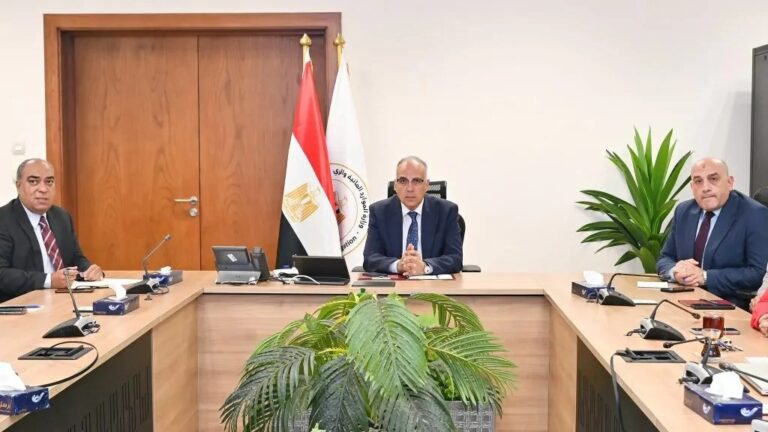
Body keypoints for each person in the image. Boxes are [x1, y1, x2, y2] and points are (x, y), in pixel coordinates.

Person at [656, 158, 768, 311]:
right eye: (698, 181)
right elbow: (665, 258)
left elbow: (756, 273)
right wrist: (675, 271)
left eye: (713, 179)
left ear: (730, 183)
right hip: (681, 300)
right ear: (692, 187)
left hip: (728, 306)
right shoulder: (683, 211)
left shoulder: (754, 214)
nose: (705, 188)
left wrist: (705, 277)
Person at [0, 158, 102, 302]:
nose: (43, 189)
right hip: (21, 304)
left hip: (63, 299)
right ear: (19, 186)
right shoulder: (4, 220)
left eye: (49, 182)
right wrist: (48, 280)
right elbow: (2, 273)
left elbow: (76, 257)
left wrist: (90, 270)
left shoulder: (61, 216)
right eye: (33, 181)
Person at [363, 156, 462, 275]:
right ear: (395, 185)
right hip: (395, 284)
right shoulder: (379, 212)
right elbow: (370, 258)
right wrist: (398, 265)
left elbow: (455, 258)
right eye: (403, 181)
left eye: (417, 181)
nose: (409, 188)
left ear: (427, 185)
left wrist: (424, 267)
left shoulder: (447, 211)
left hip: (433, 284)